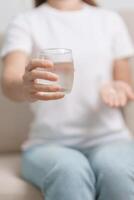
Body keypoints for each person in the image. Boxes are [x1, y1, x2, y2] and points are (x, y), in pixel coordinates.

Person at [1, 0, 134, 200]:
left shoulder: (110, 20)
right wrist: (26, 86)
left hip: (111, 139)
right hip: (48, 144)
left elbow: (125, 84)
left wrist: (119, 89)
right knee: (69, 172)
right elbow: (10, 83)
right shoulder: (25, 22)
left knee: (117, 172)